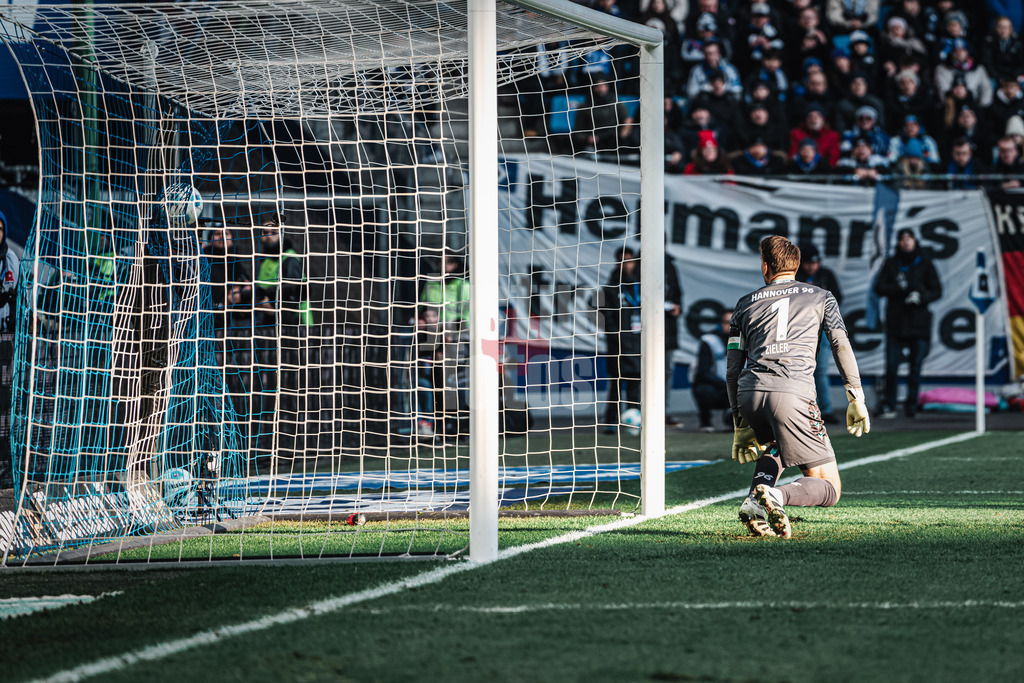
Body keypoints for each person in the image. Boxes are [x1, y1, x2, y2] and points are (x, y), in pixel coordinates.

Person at [727, 236, 870, 539]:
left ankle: (754, 501)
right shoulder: (822, 296)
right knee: (830, 487)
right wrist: (855, 395)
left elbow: (732, 369)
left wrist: (739, 422)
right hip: (793, 395)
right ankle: (776, 497)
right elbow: (840, 344)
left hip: (750, 394)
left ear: (765, 266)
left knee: (778, 443)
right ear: (798, 266)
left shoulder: (743, 304)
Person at [873, 228, 943, 419]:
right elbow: (879, 287)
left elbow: (937, 290)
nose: (906, 242)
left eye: (909, 238)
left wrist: (921, 297)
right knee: (892, 367)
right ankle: (890, 404)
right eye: (902, 239)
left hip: (919, 324)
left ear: (914, 241)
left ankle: (911, 407)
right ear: (899, 242)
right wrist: (899, 289)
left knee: (915, 367)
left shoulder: (925, 262)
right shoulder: (892, 263)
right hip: (896, 323)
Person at [796, 245, 843, 424]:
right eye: (809, 263)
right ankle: (808, 409)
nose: (812, 267)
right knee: (802, 371)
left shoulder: (826, 274)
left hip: (821, 328)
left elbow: (838, 298)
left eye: (815, 263)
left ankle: (826, 409)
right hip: (799, 330)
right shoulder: (795, 276)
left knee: (821, 370)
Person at [600, 246, 641, 430]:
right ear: (617, 262)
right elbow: (607, 320)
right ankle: (611, 421)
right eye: (623, 261)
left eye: (630, 261)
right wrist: (618, 339)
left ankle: (634, 419)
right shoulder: (609, 289)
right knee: (615, 384)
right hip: (617, 345)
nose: (627, 265)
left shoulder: (640, 286)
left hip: (637, 342)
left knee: (635, 385)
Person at [0, 210, 19, 488]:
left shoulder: (10, 259)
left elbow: (18, 294)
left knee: (5, 403)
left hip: (5, 339)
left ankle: (5, 463)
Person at [692, 309, 732, 432]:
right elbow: (703, 372)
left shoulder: (746, 341)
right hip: (718, 388)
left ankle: (735, 418)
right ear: (721, 323)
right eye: (727, 322)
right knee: (703, 389)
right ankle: (705, 422)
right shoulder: (710, 340)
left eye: (734, 322)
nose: (730, 326)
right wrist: (726, 386)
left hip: (738, 389)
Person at [665, 245, 684, 427]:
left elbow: (678, 294)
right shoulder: (639, 264)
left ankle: (664, 412)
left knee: (667, 371)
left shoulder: (670, 265)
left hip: (668, 330)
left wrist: (677, 307)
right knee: (643, 372)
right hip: (644, 329)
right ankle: (640, 411)